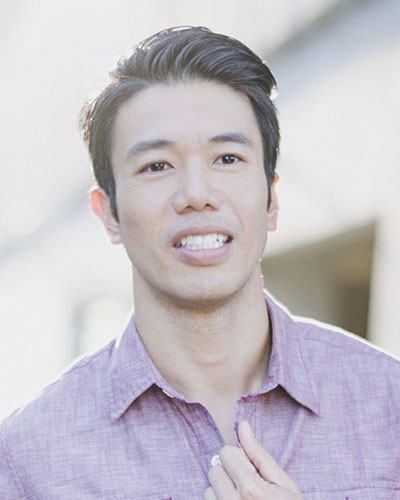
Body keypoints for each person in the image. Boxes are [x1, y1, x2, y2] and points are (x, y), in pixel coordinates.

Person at [0, 26, 399, 500]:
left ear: (271, 199)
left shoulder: (389, 404)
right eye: (156, 166)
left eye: (227, 158)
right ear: (108, 213)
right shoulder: (28, 457)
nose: (196, 194)